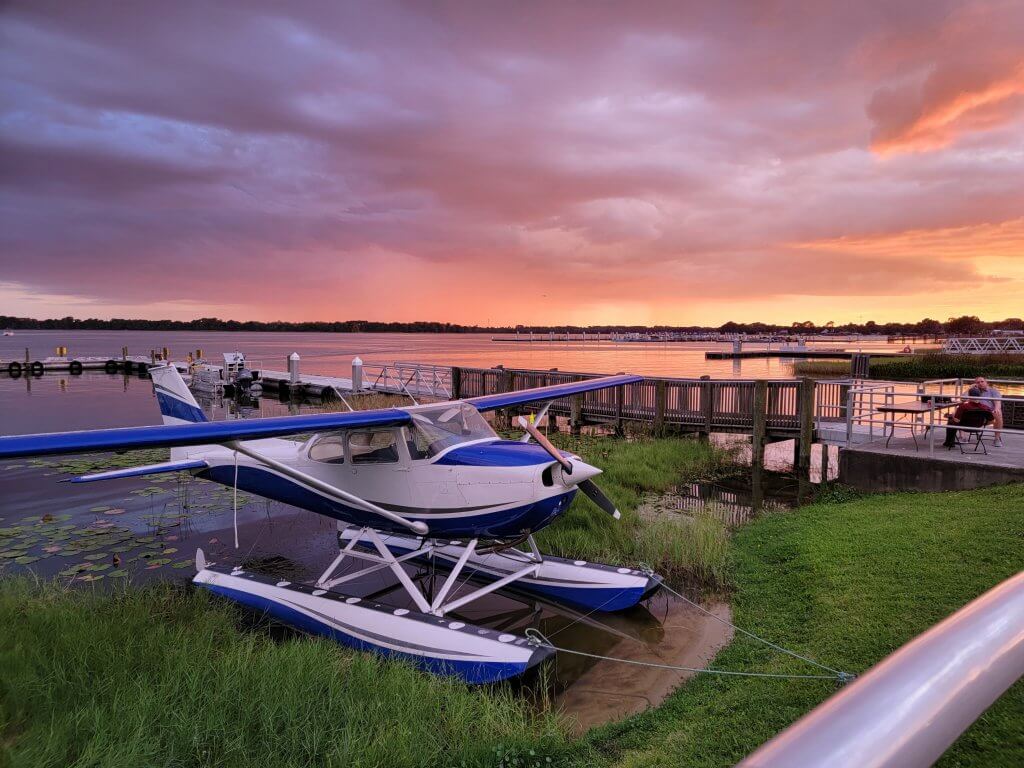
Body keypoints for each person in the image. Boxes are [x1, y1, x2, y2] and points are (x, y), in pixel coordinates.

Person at [968, 377, 1003, 446]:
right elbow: (963, 399)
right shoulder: (973, 391)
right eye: (978, 382)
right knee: (959, 411)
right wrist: (970, 389)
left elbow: (997, 402)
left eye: (982, 381)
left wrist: (996, 409)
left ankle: (997, 439)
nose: (980, 383)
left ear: (986, 382)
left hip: (988, 414)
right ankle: (963, 437)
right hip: (975, 414)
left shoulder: (993, 391)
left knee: (998, 413)